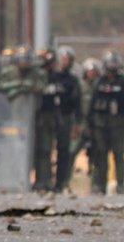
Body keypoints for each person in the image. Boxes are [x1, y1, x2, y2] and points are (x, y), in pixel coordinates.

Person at [33, 47, 81, 192]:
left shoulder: (70, 79)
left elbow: (76, 102)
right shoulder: (42, 77)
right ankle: (43, 181)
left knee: (63, 150)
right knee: (44, 149)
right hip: (46, 116)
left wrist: (77, 123)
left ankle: (60, 183)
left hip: (64, 117)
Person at [89, 51, 124, 195]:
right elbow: (92, 105)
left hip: (117, 124)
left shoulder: (121, 81)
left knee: (119, 155)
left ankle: (121, 185)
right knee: (100, 155)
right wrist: (91, 124)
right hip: (100, 124)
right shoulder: (99, 82)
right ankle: (99, 185)